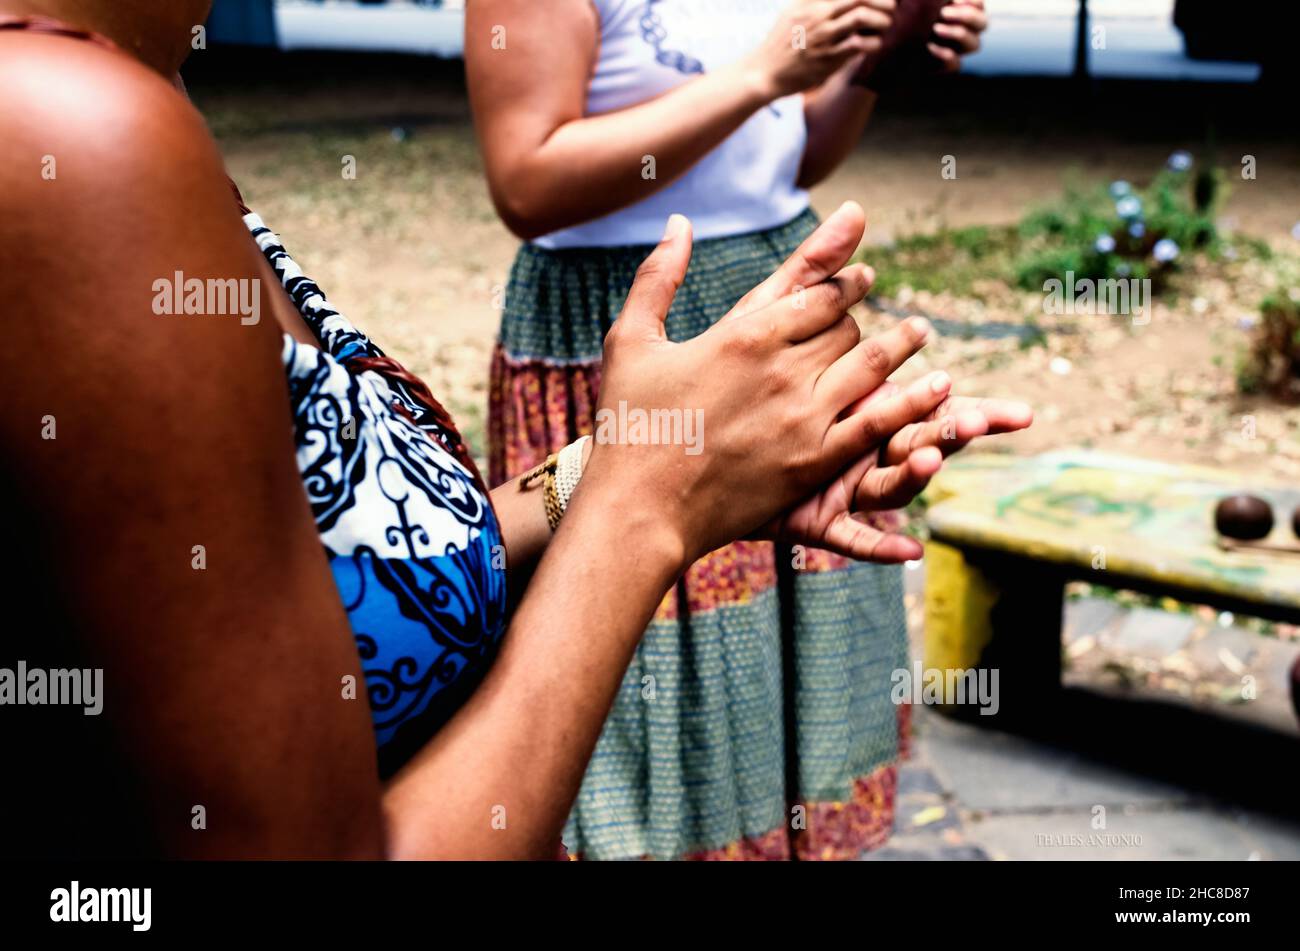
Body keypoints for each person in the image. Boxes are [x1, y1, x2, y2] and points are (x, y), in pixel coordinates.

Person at [0, 0, 1027, 858]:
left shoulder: (132, 100)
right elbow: (529, 182)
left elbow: (372, 567)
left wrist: (650, 458)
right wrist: (644, 509)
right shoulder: (64, 135)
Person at [467, 0, 993, 859]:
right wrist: (761, 73)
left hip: (774, 304)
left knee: (787, 671)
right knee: (638, 681)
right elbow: (526, 182)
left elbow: (791, 152)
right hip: (631, 321)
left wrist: (875, 62)